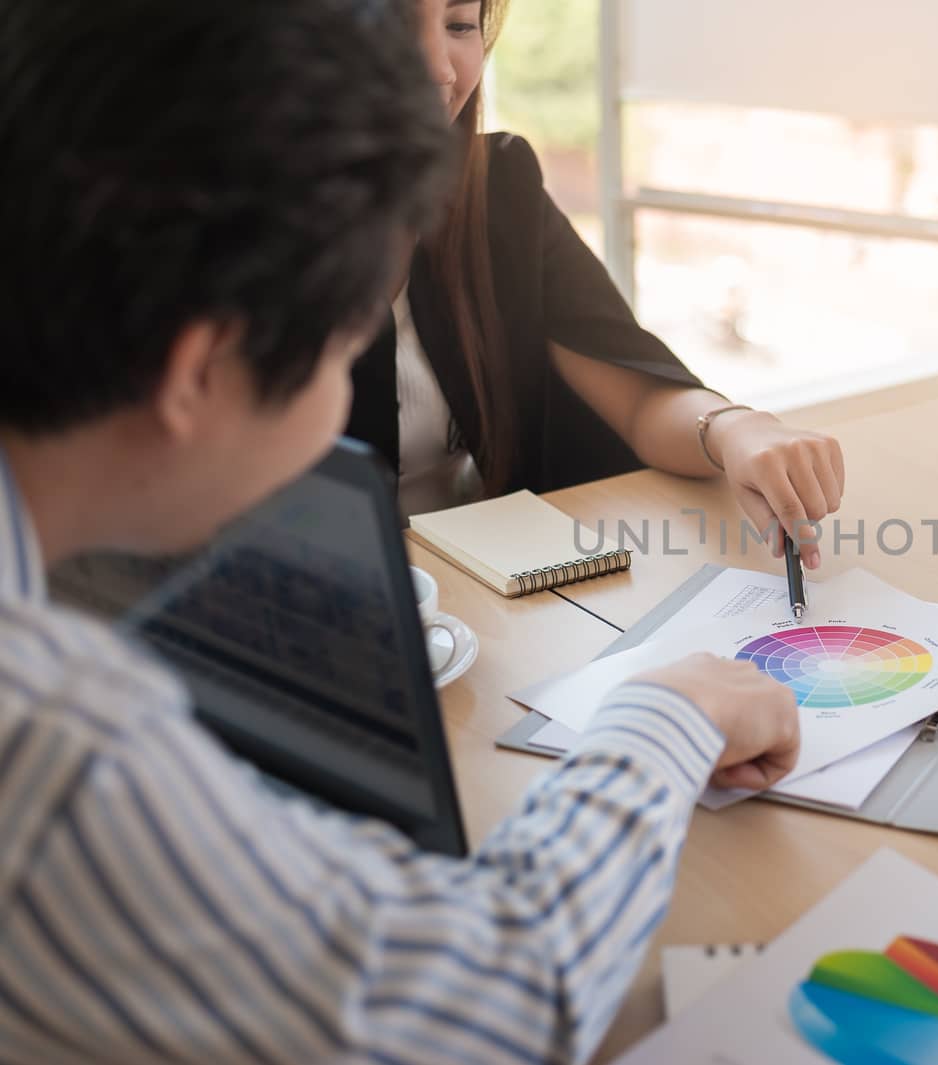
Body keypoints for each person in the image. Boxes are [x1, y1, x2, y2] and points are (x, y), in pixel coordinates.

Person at [0, 1, 799, 1061]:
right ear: (199, 371)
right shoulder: (63, 744)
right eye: (339, 358)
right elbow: (487, 1000)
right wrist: (664, 714)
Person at [347, 0, 845, 568]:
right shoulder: (238, 251)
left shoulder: (497, 191)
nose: (441, 68)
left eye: (460, 26)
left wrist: (735, 430)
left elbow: (638, 402)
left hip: (487, 593)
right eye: (395, 26)